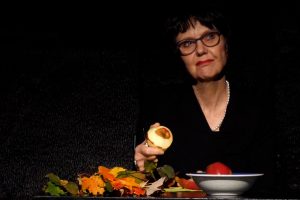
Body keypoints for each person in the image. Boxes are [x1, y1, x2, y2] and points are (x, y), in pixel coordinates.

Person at [134, 9, 277, 197]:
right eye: (187, 43)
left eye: (210, 37)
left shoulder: (258, 108)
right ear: (179, 55)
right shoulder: (161, 110)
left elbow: (274, 185)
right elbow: (150, 187)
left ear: (226, 42)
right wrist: (143, 169)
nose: (200, 50)